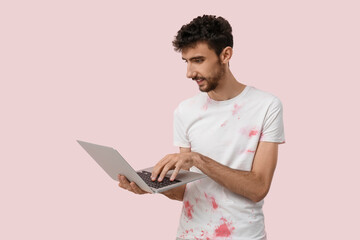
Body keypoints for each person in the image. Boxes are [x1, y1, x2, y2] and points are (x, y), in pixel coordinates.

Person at [118, 15, 285, 240]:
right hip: (190, 234)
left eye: (197, 60)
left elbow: (258, 188)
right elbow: (185, 191)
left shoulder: (266, 106)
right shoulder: (184, 111)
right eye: (186, 61)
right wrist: (149, 187)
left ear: (225, 55)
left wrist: (198, 160)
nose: (189, 73)